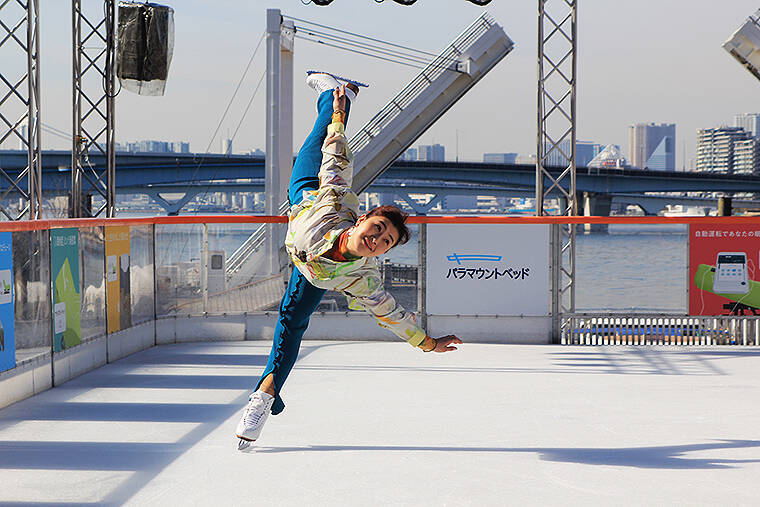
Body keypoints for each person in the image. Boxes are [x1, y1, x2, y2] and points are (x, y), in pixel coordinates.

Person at [235, 72, 462, 449]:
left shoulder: (363, 279)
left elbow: (392, 315)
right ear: (361, 220)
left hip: (312, 273)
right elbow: (337, 155)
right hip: (307, 194)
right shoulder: (335, 201)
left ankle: (263, 398)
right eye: (376, 229)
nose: (376, 240)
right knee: (319, 140)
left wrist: (427, 343)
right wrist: (340, 117)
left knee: (291, 324)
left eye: (385, 242)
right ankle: (335, 93)